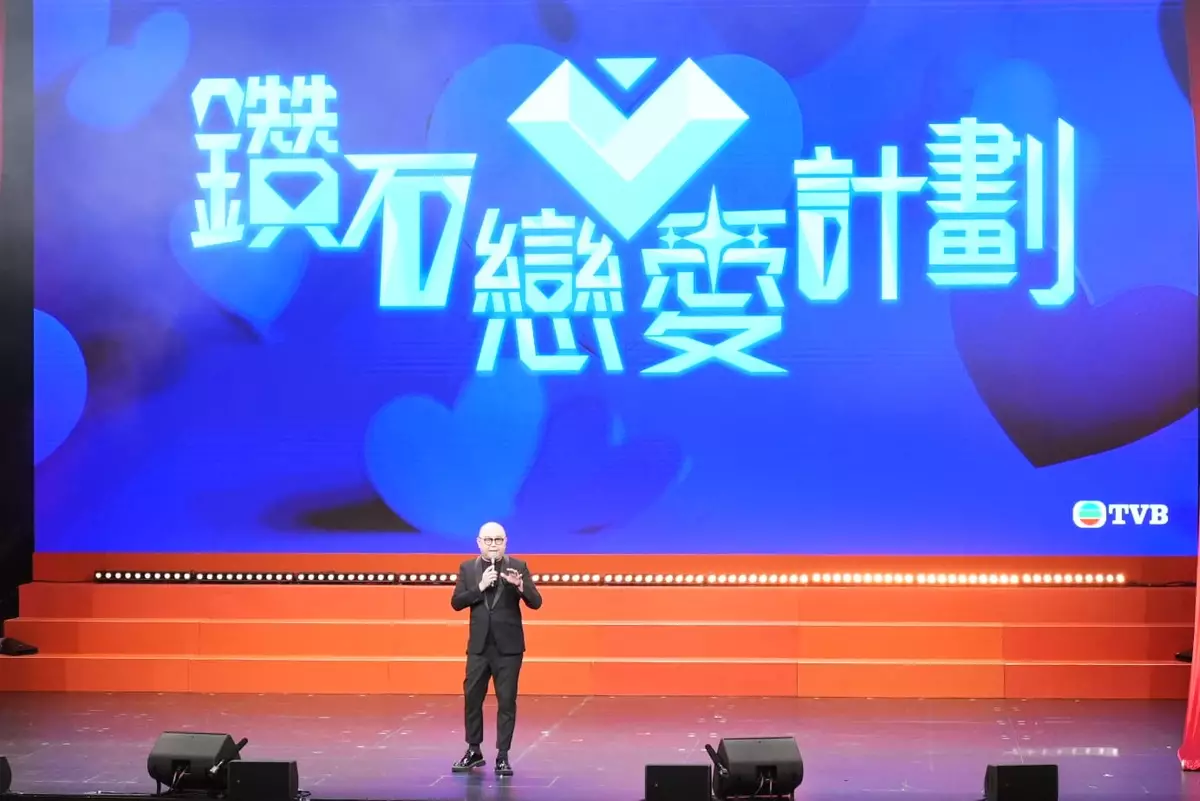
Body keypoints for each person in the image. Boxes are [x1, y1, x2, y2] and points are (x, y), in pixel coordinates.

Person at [450, 521, 542, 777]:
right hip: (479, 647)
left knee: (506, 701)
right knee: (472, 698)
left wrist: (520, 587)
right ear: (479, 542)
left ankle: (503, 755)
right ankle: (474, 751)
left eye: (498, 540)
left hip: (508, 649)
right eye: (488, 540)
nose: (493, 545)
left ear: (506, 542)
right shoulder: (468, 568)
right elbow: (456, 602)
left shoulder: (518, 566)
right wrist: (479, 587)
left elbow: (536, 602)